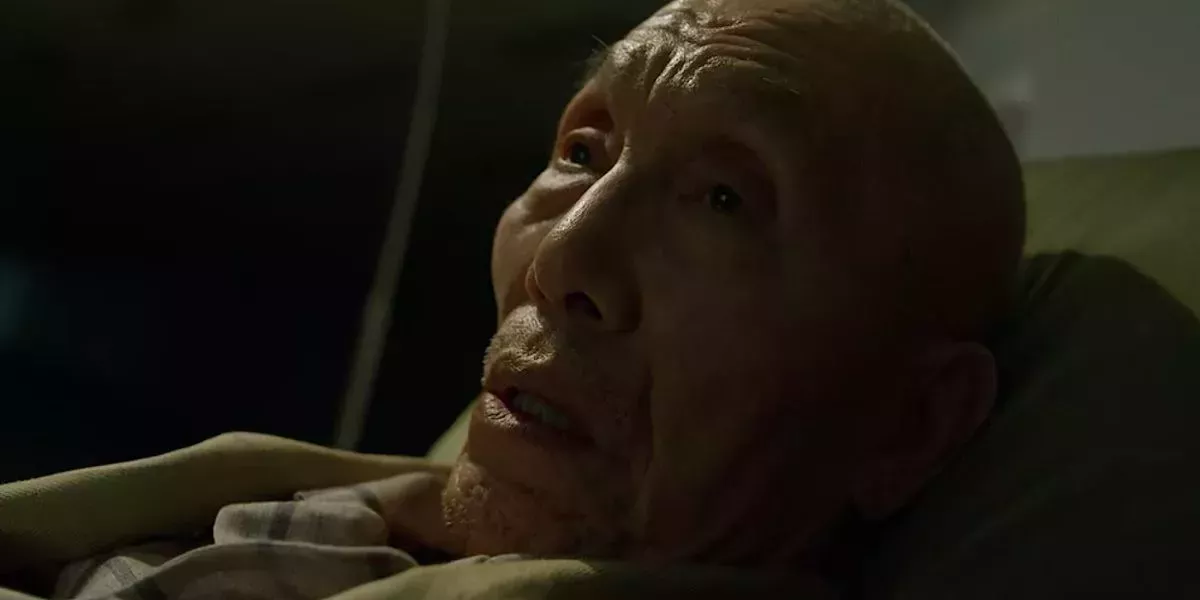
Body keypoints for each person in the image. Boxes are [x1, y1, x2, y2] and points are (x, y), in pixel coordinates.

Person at [6, 0, 1023, 597]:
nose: (563, 258)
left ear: (907, 425)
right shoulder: (338, 513)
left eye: (724, 200)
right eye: (584, 151)